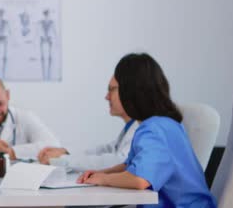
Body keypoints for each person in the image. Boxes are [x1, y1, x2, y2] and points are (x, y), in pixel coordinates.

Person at [77, 53, 216, 208]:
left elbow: (139, 179)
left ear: (131, 91)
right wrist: (103, 173)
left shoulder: (154, 129)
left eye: (113, 89)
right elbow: (129, 166)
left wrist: (103, 179)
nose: (107, 97)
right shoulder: (163, 125)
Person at [37, 80, 138, 171]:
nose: (107, 97)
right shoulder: (131, 127)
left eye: (111, 89)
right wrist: (66, 152)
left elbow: (121, 161)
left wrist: (63, 159)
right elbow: (106, 150)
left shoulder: (142, 127)